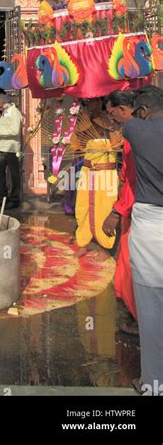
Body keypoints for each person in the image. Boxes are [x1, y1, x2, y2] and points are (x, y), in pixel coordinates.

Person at [120, 86, 163, 395]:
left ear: (143, 113)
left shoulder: (136, 129)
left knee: (152, 314)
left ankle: (153, 384)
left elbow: (125, 119)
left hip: (152, 229)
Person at [102, 90, 138, 333]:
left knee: (134, 258)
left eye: (111, 112)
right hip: (132, 202)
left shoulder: (137, 135)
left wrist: (117, 211)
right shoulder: (132, 134)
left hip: (139, 207)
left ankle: (141, 317)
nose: (110, 117)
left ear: (123, 110)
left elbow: (135, 181)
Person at [73, 98, 120, 258]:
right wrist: (84, 121)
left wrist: (103, 122)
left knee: (105, 207)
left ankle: (105, 246)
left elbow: (116, 144)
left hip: (105, 174)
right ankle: (83, 243)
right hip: (87, 171)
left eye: (91, 102)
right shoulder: (83, 120)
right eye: (85, 103)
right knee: (82, 207)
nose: (88, 105)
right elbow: (77, 144)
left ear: (99, 102)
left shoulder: (109, 119)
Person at [0, 95, 23, 209]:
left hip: (11, 148)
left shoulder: (14, 113)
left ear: (6, 103)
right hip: (1, 147)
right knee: (0, 174)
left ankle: (15, 199)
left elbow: (15, 131)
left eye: (0, 106)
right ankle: (3, 197)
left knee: (14, 174)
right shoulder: (5, 113)